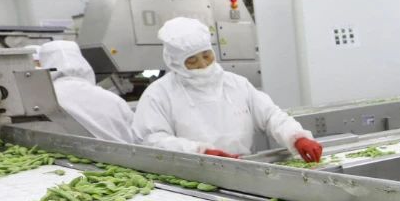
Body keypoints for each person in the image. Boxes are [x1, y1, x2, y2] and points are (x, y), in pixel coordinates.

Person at [132, 17, 321, 161]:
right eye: (192, 60)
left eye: (206, 56)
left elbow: (271, 116)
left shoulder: (236, 84)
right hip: (191, 175)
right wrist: (199, 152)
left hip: (243, 166)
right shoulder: (159, 94)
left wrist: (296, 137)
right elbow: (152, 139)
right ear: (175, 63)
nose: (203, 64)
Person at [37, 40, 136, 143]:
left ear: (45, 65)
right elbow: (134, 138)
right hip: (119, 152)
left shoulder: (42, 99)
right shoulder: (115, 101)